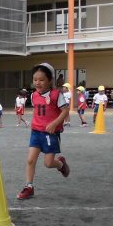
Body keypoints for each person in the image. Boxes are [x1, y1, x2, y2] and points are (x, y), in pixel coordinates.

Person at [16, 63, 70, 200]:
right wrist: (34, 123)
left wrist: (54, 123)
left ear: (50, 80)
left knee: (48, 163)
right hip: (36, 132)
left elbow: (65, 111)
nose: (37, 83)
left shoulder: (56, 95)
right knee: (30, 160)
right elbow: (38, 111)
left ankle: (61, 164)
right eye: (35, 79)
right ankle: (29, 186)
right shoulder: (34, 95)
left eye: (41, 79)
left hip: (50, 134)